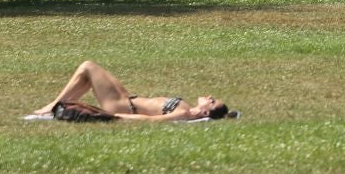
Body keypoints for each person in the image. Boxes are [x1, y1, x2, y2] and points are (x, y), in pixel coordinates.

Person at [30, 60, 233, 122]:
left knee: (88, 67)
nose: (209, 97)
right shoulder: (186, 109)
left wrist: (113, 116)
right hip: (127, 98)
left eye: (212, 101)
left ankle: (53, 106)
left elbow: (150, 121)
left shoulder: (183, 113)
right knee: (86, 77)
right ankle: (58, 104)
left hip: (122, 106)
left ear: (206, 112)